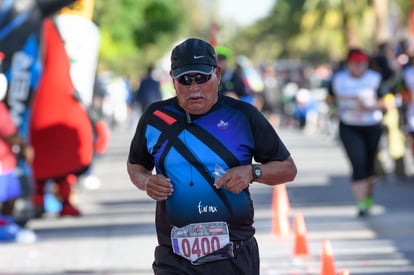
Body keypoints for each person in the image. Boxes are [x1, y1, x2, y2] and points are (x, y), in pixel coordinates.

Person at [127, 38, 297, 274]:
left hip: (233, 252)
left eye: (201, 78)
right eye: (185, 80)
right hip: (174, 255)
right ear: (172, 79)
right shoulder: (155, 117)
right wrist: (146, 181)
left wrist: (252, 171)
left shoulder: (243, 116)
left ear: (217, 73)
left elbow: (288, 169)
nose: (194, 88)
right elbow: (135, 164)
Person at [328, 48, 389, 217]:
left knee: (370, 165)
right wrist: (334, 109)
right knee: (358, 163)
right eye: (354, 64)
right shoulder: (339, 79)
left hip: (372, 125)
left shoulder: (374, 79)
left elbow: (388, 101)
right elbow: (330, 98)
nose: (358, 67)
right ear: (349, 64)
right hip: (349, 125)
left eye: (361, 64)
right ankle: (361, 204)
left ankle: (368, 196)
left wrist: (372, 106)